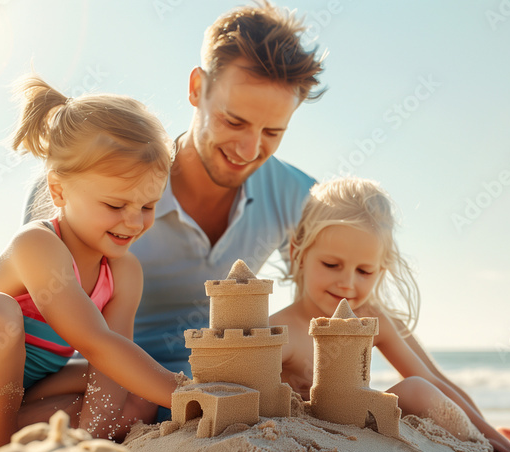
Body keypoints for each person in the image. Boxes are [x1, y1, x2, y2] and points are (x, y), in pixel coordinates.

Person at [22, 3, 325, 422]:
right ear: (197, 88)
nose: (249, 149)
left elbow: (353, 296)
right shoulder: (91, 188)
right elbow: (48, 330)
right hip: (119, 384)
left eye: (273, 132)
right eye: (234, 121)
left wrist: (431, 386)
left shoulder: (296, 194)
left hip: (218, 387)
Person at [0, 76, 183, 452]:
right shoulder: (37, 245)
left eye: (148, 206)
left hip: (20, 393)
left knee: (135, 396)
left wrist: (92, 431)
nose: (134, 222)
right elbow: (95, 341)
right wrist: (184, 391)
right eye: (116, 206)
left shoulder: (124, 272)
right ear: (58, 191)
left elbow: (113, 361)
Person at [269, 178, 510, 452]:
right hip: (311, 441)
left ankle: (487, 445)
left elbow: (433, 383)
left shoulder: (370, 319)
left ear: (381, 271)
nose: (347, 283)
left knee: (419, 387)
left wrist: (494, 437)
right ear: (297, 254)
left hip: (363, 430)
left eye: (364, 271)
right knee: (418, 388)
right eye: (331, 265)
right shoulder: (280, 331)